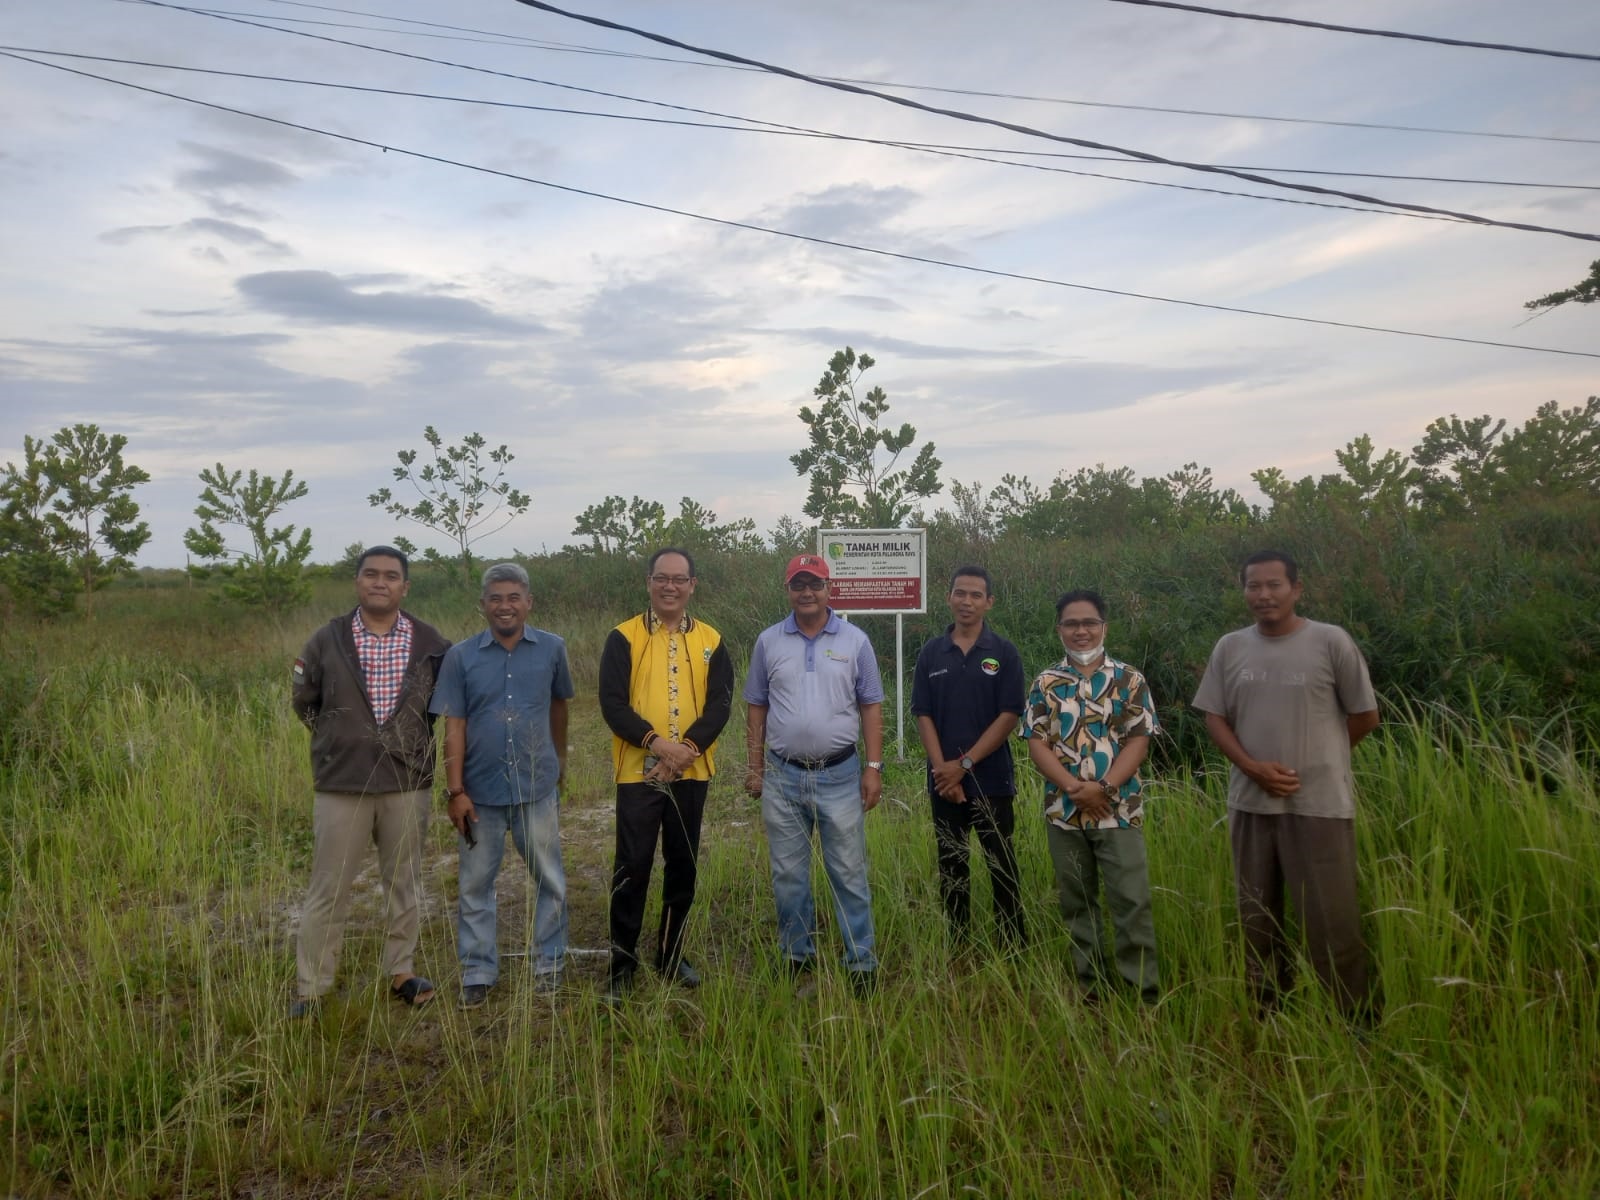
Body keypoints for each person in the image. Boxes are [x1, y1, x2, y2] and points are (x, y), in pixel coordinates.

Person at [1193, 550, 1380, 1021]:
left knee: (1331, 922)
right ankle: (1268, 1015)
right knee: (1258, 918)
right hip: (1251, 804)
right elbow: (1214, 717)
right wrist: (1252, 768)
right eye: (1254, 586)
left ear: (1296, 589)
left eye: (1274, 585)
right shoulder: (1230, 648)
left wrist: (1322, 761)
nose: (1263, 595)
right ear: (1244, 592)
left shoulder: (1330, 642)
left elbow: (1365, 715)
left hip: (1319, 805)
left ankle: (1353, 1024)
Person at [289, 545, 451, 1018]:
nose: (381, 582)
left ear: (405, 586)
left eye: (391, 575)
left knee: (403, 881)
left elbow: (443, 707)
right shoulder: (328, 639)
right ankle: (313, 987)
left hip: (407, 783)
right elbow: (305, 701)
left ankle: (402, 970)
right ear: (357, 581)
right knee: (329, 886)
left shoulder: (430, 643)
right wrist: (343, 739)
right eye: (371, 574)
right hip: (342, 783)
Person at [430, 562, 574, 1008]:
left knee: (551, 880)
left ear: (528, 602)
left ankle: (549, 964)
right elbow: (454, 726)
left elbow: (559, 709)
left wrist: (559, 760)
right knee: (475, 884)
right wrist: (456, 791)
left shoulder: (553, 649)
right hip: (479, 793)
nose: (505, 606)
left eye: (514, 597)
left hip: (536, 786)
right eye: (496, 598)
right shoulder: (461, 657)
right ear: (483, 605)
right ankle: (477, 970)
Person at [744, 553, 885, 995]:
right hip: (783, 778)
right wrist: (755, 767)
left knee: (848, 870)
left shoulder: (855, 641)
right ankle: (795, 954)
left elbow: (871, 705)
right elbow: (756, 707)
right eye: (798, 584)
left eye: (815, 584)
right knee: (788, 874)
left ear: (830, 590)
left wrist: (874, 767)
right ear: (788, 590)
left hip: (840, 774)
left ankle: (860, 961)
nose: (807, 592)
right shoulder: (768, 641)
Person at [598, 547, 735, 1003]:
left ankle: (672, 955)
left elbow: (720, 705)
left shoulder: (712, 640)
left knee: (683, 865)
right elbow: (613, 704)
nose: (670, 586)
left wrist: (685, 753)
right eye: (662, 578)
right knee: (632, 867)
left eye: (680, 579)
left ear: (693, 585)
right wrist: (658, 745)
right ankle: (623, 964)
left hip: (691, 774)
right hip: (639, 772)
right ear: (649, 582)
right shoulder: (623, 637)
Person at [1022, 589, 1160, 1004]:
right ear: (1059, 628)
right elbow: (1036, 742)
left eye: (1089, 623)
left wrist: (1104, 788)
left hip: (1119, 810)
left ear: (1104, 627)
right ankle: (1091, 992)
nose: (1080, 631)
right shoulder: (1046, 682)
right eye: (1071, 624)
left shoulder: (1129, 679)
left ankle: (1142, 995)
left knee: (1131, 902)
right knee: (1077, 903)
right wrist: (1072, 788)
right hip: (1064, 812)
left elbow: (1139, 740)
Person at [910, 564, 1027, 952]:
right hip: (943, 784)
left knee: (1002, 866)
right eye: (960, 593)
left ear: (989, 602)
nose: (967, 601)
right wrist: (943, 771)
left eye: (976, 595)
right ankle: (959, 949)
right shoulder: (931, 652)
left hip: (991, 780)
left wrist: (963, 766)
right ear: (949, 598)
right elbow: (922, 712)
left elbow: (1009, 714)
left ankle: (1013, 950)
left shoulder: (1003, 652)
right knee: (952, 867)